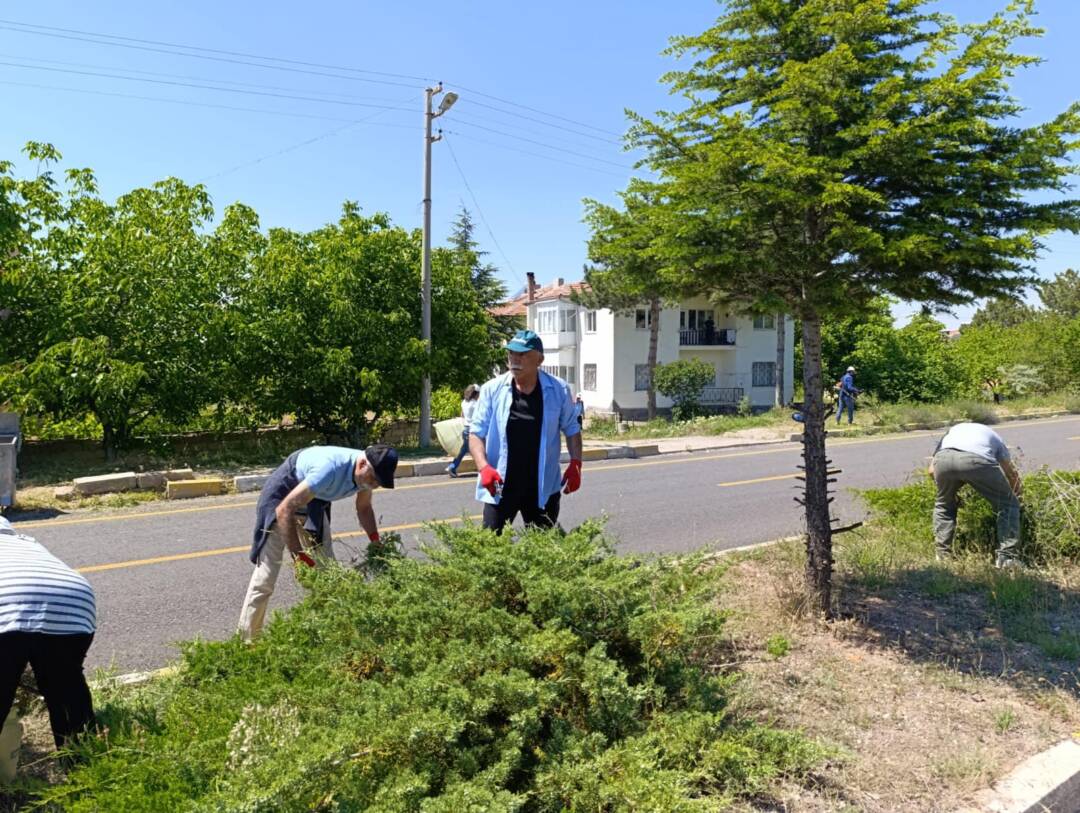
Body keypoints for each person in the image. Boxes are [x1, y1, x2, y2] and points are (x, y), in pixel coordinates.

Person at [237, 443, 398, 641]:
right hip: (281, 500)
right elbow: (284, 509)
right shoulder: (329, 469)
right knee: (266, 578)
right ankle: (247, 642)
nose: (374, 485)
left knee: (327, 573)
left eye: (379, 482)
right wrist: (299, 555)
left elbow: (363, 508)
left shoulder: (367, 476)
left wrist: (375, 540)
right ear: (363, 463)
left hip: (313, 503)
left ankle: (329, 634)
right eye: (373, 478)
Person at [469, 329, 584, 532]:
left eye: (522, 354)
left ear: (539, 360)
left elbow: (572, 428)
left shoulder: (558, 389)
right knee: (490, 550)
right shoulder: (492, 389)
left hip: (542, 488)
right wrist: (484, 468)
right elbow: (476, 433)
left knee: (543, 551)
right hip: (500, 487)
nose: (515, 359)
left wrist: (576, 464)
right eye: (511, 353)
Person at [0, 516, 96, 749]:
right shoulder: (27, 542)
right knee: (66, 691)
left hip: (7, 604)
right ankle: (86, 770)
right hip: (73, 601)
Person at [929, 422, 1022, 567]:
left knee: (944, 505)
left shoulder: (950, 433)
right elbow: (1011, 473)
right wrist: (1017, 497)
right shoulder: (995, 438)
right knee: (1008, 505)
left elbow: (930, 471)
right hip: (976, 460)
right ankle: (1007, 558)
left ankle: (942, 556)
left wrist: (949, 491)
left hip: (943, 460)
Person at [446, 384, 480, 478]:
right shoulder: (476, 404)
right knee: (480, 450)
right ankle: (452, 467)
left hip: (465, 429)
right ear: (475, 394)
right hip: (473, 430)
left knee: (464, 451)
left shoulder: (464, 402)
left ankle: (452, 467)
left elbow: (462, 415)